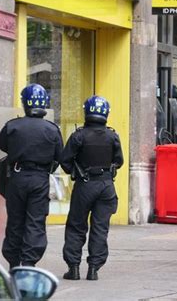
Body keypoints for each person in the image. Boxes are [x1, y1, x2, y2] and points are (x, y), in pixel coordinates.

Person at [0, 84, 63, 269]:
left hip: (17, 178)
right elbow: (60, 155)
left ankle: (13, 262)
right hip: (40, 178)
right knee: (35, 221)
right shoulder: (52, 129)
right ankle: (29, 262)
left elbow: (2, 145)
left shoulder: (13, 126)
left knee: (15, 220)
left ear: (24, 103)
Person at [61, 95, 123, 281]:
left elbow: (65, 160)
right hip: (106, 186)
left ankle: (74, 268)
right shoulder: (113, 136)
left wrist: (76, 172)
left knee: (76, 226)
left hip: (85, 184)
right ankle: (94, 268)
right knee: (100, 228)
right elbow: (119, 161)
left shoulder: (78, 135)